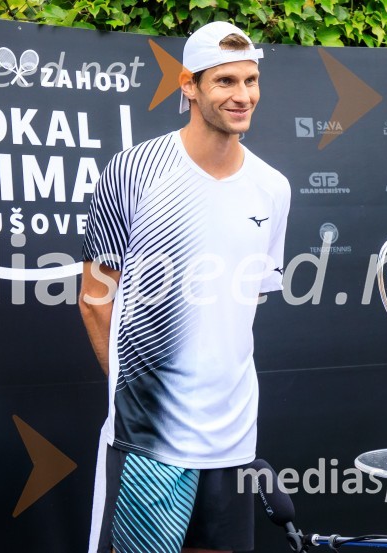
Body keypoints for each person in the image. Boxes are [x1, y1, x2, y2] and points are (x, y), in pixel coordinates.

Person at [79, 20, 291, 553]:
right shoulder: (133, 170)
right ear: (189, 86)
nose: (243, 96)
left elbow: (243, 307)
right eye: (225, 82)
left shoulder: (273, 188)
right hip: (148, 439)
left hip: (234, 440)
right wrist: (136, 392)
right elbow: (95, 298)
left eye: (251, 80)